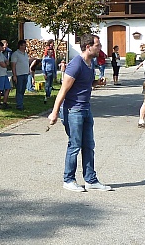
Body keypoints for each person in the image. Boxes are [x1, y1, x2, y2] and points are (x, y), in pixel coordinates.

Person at [48, 34, 112, 192]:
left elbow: (86, 84)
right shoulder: (76, 64)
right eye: (98, 45)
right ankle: (68, 180)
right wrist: (54, 112)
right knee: (75, 145)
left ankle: (90, 180)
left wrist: (97, 83)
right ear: (88, 46)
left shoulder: (91, 63)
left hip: (85, 109)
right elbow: (63, 90)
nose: (100, 47)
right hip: (72, 110)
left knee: (89, 145)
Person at [10, 39, 30, 110]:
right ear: (20, 46)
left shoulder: (25, 54)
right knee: (19, 90)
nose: (24, 47)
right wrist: (14, 75)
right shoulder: (15, 54)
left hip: (25, 74)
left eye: (25, 45)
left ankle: (21, 103)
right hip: (19, 75)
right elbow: (13, 65)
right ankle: (19, 105)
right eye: (23, 45)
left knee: (23, 90)